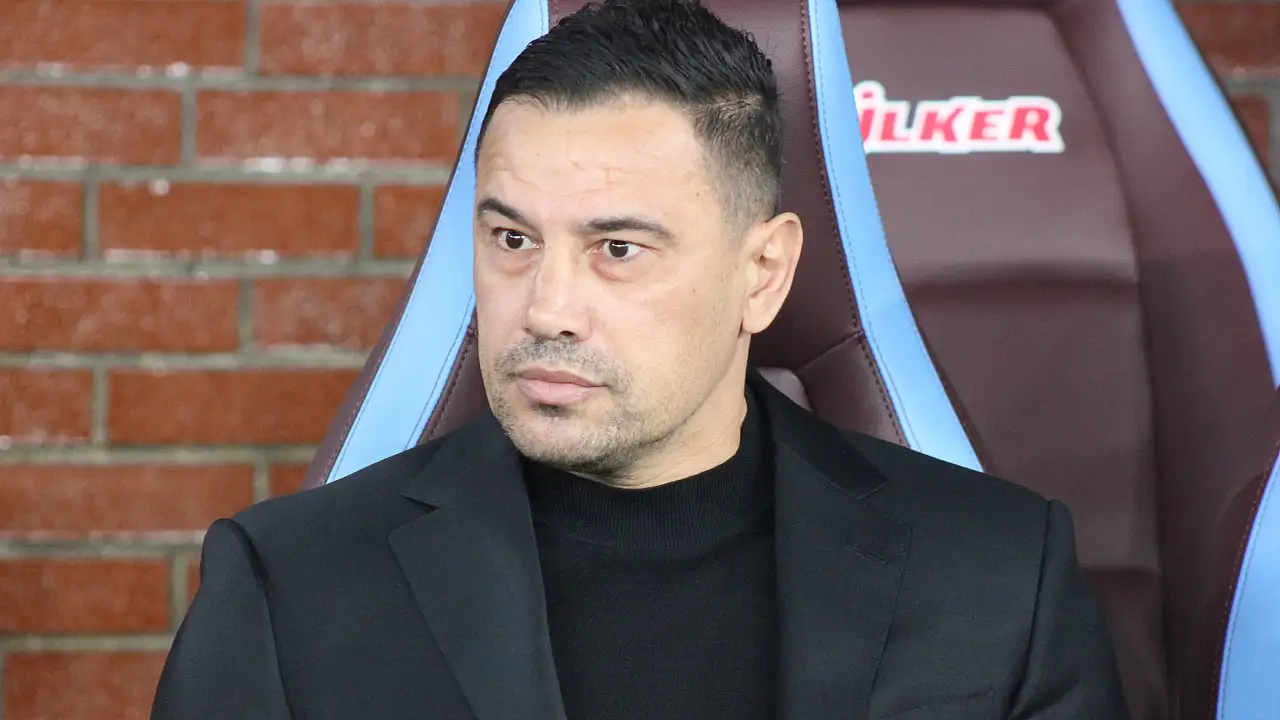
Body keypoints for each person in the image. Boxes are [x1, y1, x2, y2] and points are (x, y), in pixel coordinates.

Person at [151, 1, 1129, 718]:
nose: (546, 307)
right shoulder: (291, 587)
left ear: (762, 274)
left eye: (617, 249)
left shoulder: (998, 575)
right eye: (511, 239)